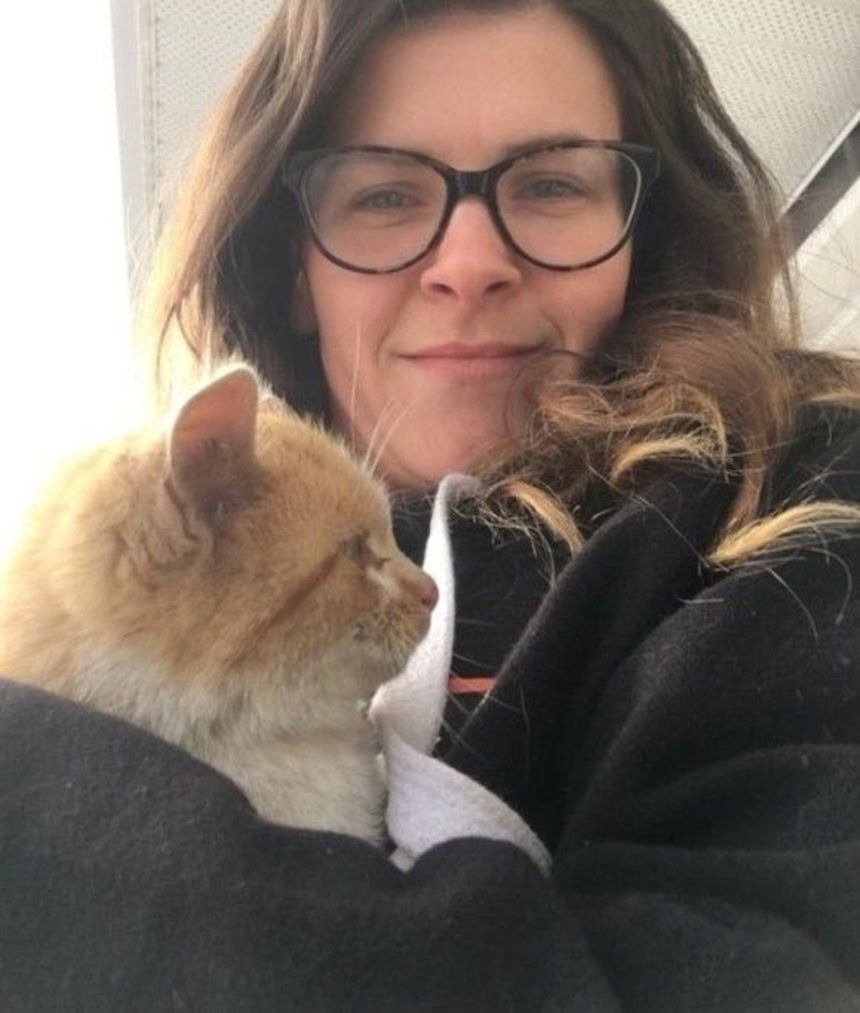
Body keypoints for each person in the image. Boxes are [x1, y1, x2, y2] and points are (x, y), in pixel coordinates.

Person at [2, 0, 859, 1007]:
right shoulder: (195, 534)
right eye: (384, 195)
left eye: (549, 183)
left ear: (642, 231)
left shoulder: (792, 498)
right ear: (292, 268)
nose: (469, 266)